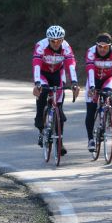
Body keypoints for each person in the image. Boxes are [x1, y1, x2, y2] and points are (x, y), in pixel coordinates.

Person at [32, 25, 80, 156]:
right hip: (43, 74)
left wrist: (74, 83)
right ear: (48, 40)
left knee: (58, 107)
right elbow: (36, 65)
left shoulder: (66, 47)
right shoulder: (40, 46)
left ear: (63, 39)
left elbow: (71, 65)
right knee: (43, 94)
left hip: (58, 74)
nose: (56, 43)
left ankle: (60, 142)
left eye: (59, 40)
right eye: (52, 41)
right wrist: (37, 83)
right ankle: (40, 125)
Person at [85, 33, 112, 152]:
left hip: (108, 79)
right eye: (100, 47)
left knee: (108, 94)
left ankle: (109, 116)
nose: (102, 49)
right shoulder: (91, 52)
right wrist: (91, 87)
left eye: (105, 47)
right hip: (93, 80)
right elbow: (90, 70)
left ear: (110, 46)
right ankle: (90, 139)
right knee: (90, 110)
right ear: (96, 46)